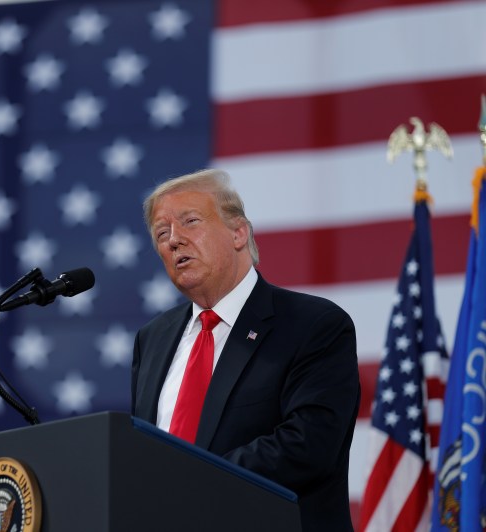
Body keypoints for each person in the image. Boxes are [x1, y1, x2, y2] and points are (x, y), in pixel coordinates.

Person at [131, 168, 360, 531]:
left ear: (239, 232)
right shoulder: (152, 339)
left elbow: (309, 444)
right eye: (162, 233)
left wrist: (188, 481)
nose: (174, 240)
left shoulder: (313, 325)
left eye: (190, 221)